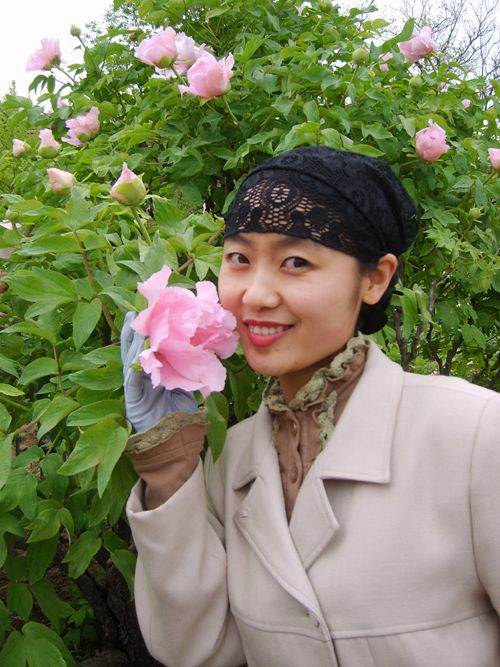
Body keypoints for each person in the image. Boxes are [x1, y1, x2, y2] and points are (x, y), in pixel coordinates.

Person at [122, 147, 500, 667]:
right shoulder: (232, 461)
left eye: (295, 262)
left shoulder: (474, 434)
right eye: (239, 258)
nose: (255, 295)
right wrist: (169, 467)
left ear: (375, 278)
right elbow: (197, 648)